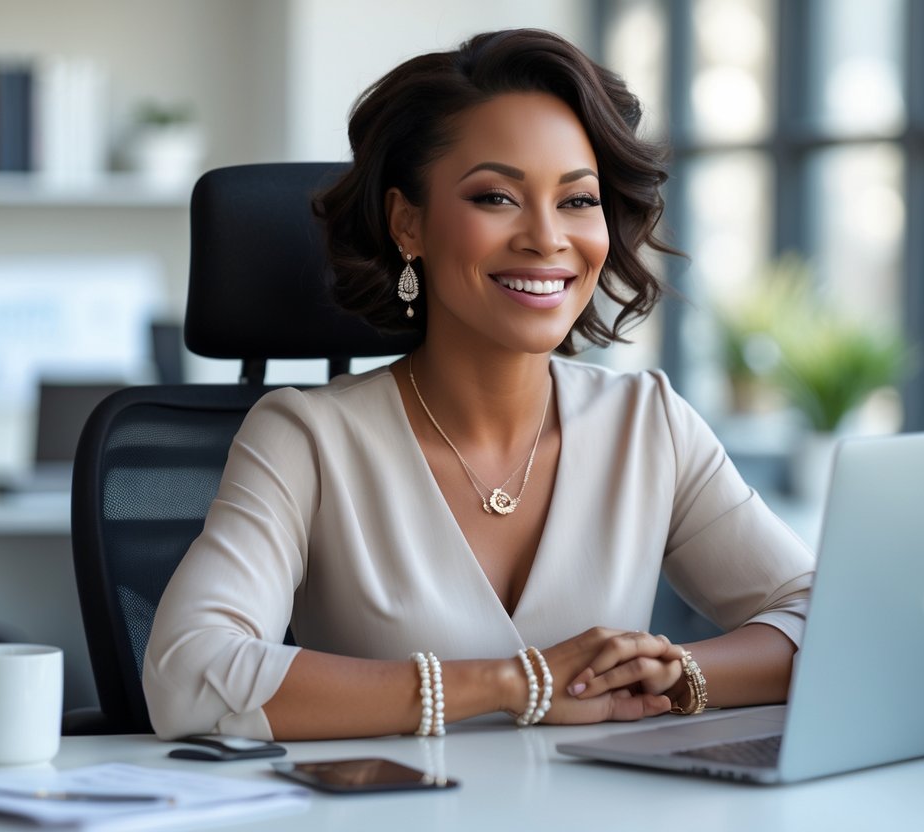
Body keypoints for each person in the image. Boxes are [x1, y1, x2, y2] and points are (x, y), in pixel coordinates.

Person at [144, 28, 815, 741]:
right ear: (409, 223)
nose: (546, 238)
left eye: (577, 200)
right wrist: (512, 683)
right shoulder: (306, 439)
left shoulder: (647, 423)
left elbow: (829, 618)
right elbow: (188, 676)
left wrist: (672, 672)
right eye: (496, 197)